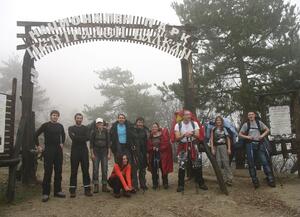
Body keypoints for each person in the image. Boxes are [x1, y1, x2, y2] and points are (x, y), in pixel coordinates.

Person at [35, 110, 66, 202]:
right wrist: (38, 146)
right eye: (53, 115)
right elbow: (35, 135)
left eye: (56, 115)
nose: (55, 117)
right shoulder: (45, 125)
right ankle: (45, 193)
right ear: (50, 116)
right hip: (48, 149)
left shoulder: (60, 126)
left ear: (58, 117)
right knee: (48, 171)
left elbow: (63, 135)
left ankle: (57, 191)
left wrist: (62, 143)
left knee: (58, 171)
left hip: (58, 150)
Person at [239, 111, 275, 188]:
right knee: (251, 163)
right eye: (249, 115)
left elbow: (267, 130)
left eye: (252, 114)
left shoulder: (259, 123)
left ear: (254, 115)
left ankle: (270, 179)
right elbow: (240, 134)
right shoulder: (246, 125)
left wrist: (262, 135)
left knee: (264, 161)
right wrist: (247, 137)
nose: (250, 116)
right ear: (248, 117)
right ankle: (255, 180)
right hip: (250, 145)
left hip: (260, 144)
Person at [174, 110, 208, 192]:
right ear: (183, 116)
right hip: (183, 146)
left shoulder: (194, 123)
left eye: (189, 115)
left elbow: (198, 135)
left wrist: (191, 134)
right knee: (182, 165)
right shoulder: (178, 125)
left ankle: (201, 183)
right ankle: (180, 185)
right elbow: (177, 137)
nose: (189, 116)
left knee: (198, 164)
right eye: (186, 115)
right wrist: (184, 135)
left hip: (193, 145)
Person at [68, 113, 92, 197]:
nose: (79, 119)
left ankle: (87, 190)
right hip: (75, 151)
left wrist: (77, 137)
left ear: (82, 119)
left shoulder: (85, 128)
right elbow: (72, 137)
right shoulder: (71, 128)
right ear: (75, 119)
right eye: (78, 118)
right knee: (74, 170)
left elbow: (88, 137)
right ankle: (72, 190)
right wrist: (82, 137)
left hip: (84, 151)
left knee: (85, 170)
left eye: (80, 118)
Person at [147, 122, 173, 190]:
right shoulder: (150, 136)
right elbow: (148, 145)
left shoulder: (163, 134)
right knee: (154, 170)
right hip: (153, 154)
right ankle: (155, 184)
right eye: (153, 127)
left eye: (155, 127)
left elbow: (166, 143)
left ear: (158, 128)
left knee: (163, 168)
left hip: (162, 155)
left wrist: (160, 148)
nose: (154, 128)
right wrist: (152, 148)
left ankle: (165, 183)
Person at [90, 118, 111, 193]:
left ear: (103, 124)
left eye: (101, 123)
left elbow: (108, 143)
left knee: (105, 169)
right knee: (95, 169)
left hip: (104, 152)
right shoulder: (93, 132)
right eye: (98, 123)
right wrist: (92, 154)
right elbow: (91, 144)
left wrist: (109, 153)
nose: (99, 124)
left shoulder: (106, 132)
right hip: (96, 152)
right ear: (96, 124)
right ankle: (96, 185)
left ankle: (104, 186)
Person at [210, 116, 233, 186]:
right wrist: (212, 149)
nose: (218, 121)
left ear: (221, 121)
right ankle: (221, 179)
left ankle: (229, 179)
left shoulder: (224, 129)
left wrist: (229, 148)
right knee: (218, 163)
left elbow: (228, 139)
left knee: (226, 162)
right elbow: (211, 139)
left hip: (224, 146)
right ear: (215, 122)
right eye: (217, 120)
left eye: (219, 120)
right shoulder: (213, 129)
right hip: (216, 147)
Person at [131, 117, 149, 191]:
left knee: (142, 169)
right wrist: (132, 146)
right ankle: (135, 185)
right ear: (136, 123)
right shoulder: (133, 130)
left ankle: (143, 184)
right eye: (139, 122)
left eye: (141, 122)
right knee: (134, 170)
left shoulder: (145, 131)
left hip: (143, 152)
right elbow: (130, 140)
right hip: (135, 152)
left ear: (143, 123)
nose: (140, 124)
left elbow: (148, 141)